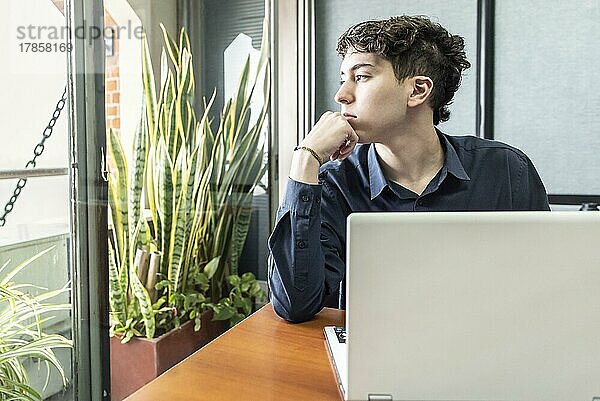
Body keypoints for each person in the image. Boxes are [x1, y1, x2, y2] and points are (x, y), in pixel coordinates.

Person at [268, 15, 550, 323]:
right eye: (342, 79)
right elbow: (294, 306)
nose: (341, 95)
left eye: (361, 77)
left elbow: (546, 286)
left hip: (488, 347)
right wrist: (305, 159)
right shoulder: (333, 184)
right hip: (371, 356)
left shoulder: (507, 170)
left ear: (417, 91)